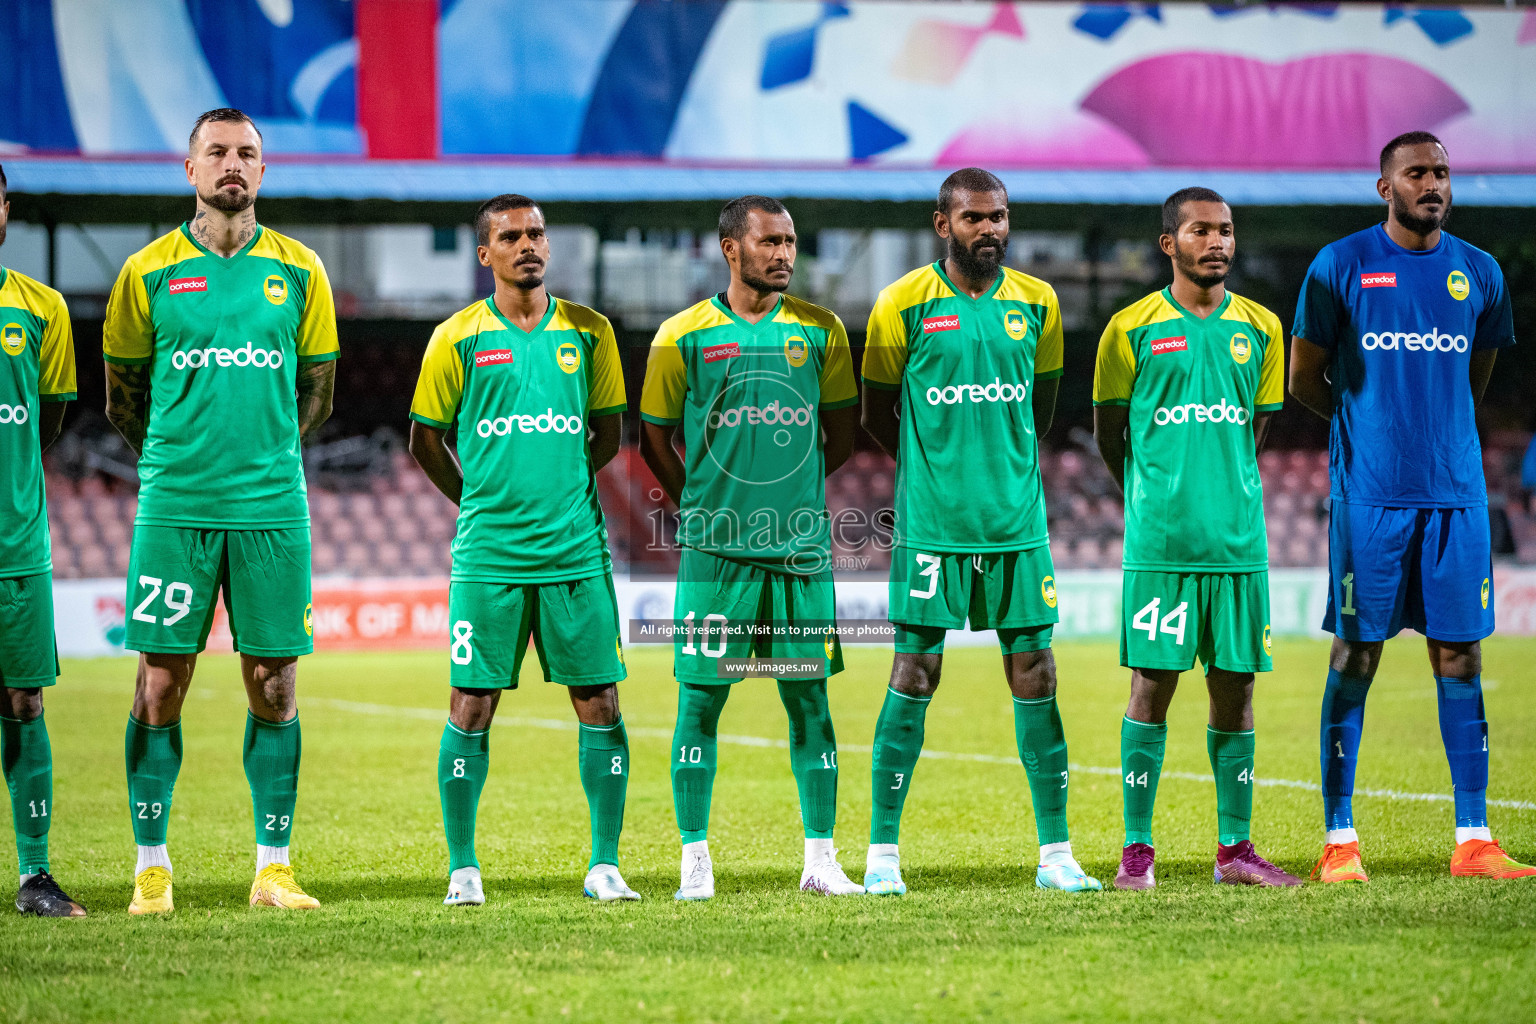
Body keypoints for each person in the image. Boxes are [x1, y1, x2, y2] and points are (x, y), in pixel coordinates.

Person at [103, 109, 338, 914]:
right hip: (176, 504)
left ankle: (273, 867)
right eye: (218, 152)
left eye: (246, 154)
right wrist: (181, 463)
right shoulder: (146, 273)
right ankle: (151, 866)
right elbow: (122, 398)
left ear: (263, 173)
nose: (232, 164)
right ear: (191, 169)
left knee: (275, 684)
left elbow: (318, 391)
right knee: (161, 682)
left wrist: (265, 456)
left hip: (272, 506)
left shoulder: (301, 269)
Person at [1290, 131, 1531, 882]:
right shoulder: (1341, 265)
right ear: (1384, 187)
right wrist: (1375, 430)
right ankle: (1339, 841)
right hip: (1371, 498)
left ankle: (1474, 839)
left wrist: (1433, 435)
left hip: (1456, 497)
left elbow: (1475, 376)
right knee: (1356, 654)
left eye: (1442, 173)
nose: (1433, 185)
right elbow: (1305, 379)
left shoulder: (1480, 272)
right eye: (1416, 173)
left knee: (1460, 654)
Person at [860, 167, 1099, 895]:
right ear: (944, 225)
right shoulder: (901, 303)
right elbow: (877, 411)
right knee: (913, 673)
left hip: (1016, 526)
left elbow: (1044, 402)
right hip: (932, 526)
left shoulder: (1038, 301)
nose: (989, 229)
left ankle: (1056, 854)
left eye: (998, 217)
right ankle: (881, 858)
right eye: (974, 218)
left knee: (1037, 672)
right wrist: (937, 472)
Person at [409, 194, 637, 906]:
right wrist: (483, 498)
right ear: (486, 255)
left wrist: (560, 489)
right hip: (490, 557)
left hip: (576, 553)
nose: (527, 245)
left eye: (536, 233)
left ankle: (604, 865)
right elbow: (425, 439)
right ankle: (463, 870)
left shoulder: (590, 333)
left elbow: (607, 434)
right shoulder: (457, 337)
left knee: (599, 700)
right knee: (470, 705)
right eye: (510, 236)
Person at [639, 196, 864, 900]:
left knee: (810, 704)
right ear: (731, 250)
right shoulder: (683, 334)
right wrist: (704, 507)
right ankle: (695, 863)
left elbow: (844, 432)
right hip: (717, 561)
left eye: (792, 242)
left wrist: (786, 498)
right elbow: (652, 436)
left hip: (798, 556)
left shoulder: (821, 331)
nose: (785, 254)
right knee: (699, 705)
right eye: (771, 242)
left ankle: (821, 861)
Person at [1094, 187, 1301, 889]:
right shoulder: (1130, 328)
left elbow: (1256, 430)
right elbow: (1109, 435)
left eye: (1227, 231)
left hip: (1237, 544)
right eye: (1202, 231)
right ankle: (1136, 854)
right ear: (1169, 244)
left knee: (1235, 690)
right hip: (1163, 545)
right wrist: (1162, 491)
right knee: (1150, 686)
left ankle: (1235, 853)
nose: (1217, 242)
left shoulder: (1264, 328)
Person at [0, 163, 86, 916]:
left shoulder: (41, 309)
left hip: (14, 547)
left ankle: (34, 875)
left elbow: (47, 418)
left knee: (23, 700)